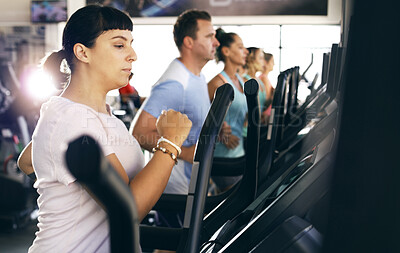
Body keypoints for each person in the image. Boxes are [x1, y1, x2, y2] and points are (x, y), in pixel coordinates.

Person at [17, 5, 192, 252]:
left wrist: (64, 186)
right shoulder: (71, 117)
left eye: (131, 44)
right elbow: (129, 208)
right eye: (119, 45)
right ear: (82, 53)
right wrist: (170, 142)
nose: (133, 55)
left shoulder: (91, 114)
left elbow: (27, 161)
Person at [131, 9, 219, 232]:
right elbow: (139, 132)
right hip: (176, 188)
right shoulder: (175, 82)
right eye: (209, 36)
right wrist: (187, 152)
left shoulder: (197, 76)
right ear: (189, 42)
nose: (216, 42)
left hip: (193, 182)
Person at [207, 28, 248, 192]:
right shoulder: (216, 83)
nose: (245, 51)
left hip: (239, 153)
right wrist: (219, 129)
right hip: (222, 158)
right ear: (226, 51)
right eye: (240, 47)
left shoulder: (240, 80)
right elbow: (202, 119)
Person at [243, 47, 270, 122]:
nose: (264, 62)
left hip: (258, 125)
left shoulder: (259, 81)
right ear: (251, 60)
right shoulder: (245, 81)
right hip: (247, 130)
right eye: (261, 58)